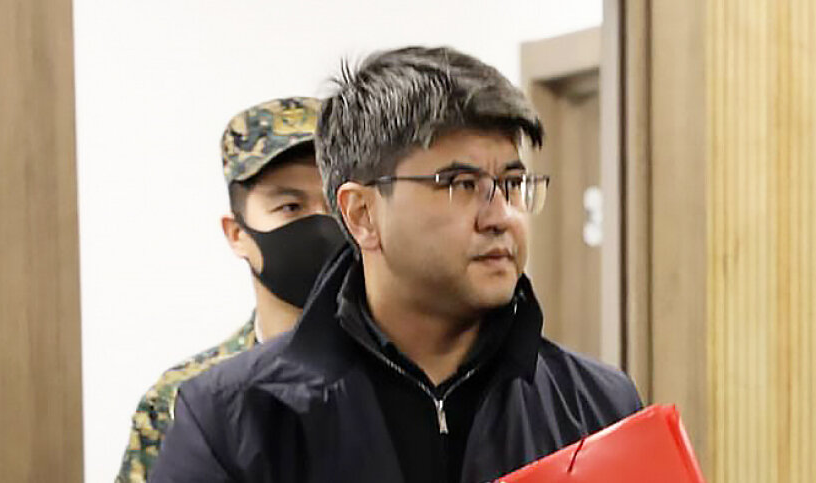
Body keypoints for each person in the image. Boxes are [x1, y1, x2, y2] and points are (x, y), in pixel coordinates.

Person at [151, 47, 643, 483]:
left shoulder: (597, 406)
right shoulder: (234, 418)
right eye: (461, 185)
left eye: (513, 184)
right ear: (362, 214)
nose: (501, 217)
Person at [115, 97, 346, 483]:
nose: (321, 225)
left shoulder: (406, 379)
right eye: (290, 206)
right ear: (237, 234)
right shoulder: (181, 402)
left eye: (335, 206)